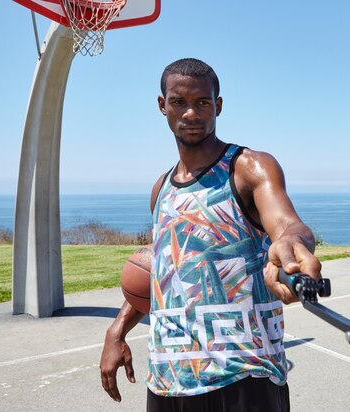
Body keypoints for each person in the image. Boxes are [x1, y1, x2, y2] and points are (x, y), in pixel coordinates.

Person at [100, 58, 322, 411]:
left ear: (217, 106)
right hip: (168, 378)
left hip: (244, 374)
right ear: (163, 106)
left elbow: (286, 224)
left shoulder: (248, 167)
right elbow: (164, 268)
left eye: (202, 102)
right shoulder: (161, 189)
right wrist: (117, 330)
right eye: (178, 102)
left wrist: (290, 244)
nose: (191, 112)